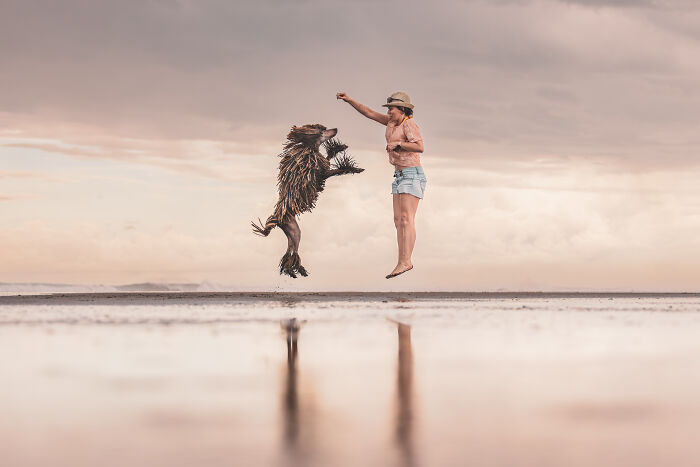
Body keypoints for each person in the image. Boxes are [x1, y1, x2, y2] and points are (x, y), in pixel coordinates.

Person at [336, 91, 426, 279]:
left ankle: (405, 261)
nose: (389, 111)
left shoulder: (409, 124)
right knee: (398, 221)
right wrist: (350, 100)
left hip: (412, 174)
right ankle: (402, 260)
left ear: (402, 109)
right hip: (399, 175)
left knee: (406, 219)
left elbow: (419, 147)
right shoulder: (392, 123)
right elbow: (368, 112)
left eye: (392, 108)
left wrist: (399, 145)